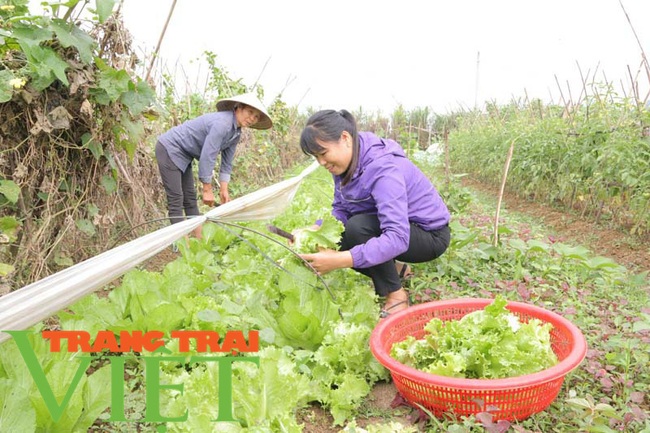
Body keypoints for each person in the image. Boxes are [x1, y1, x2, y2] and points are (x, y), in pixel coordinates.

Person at [297, 109, 450, 317]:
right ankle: (398, 270)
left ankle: (396, 296)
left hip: (428, 235)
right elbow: (341, 208)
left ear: (345, 138)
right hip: (400, 229)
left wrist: (341, 260)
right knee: (340, 237)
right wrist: (316, 230)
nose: (321, 162)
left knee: (357, 230)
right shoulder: (346, 163)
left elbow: (397, 237)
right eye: (316, 157)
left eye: (323, 153)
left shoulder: (383, 169)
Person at [155, 92, 272, 236]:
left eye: (256, 117)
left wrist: (224, 190)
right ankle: (183, 247)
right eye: (250, 112)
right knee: (176, 200)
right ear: (238, 108)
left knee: (190, 199)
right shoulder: (222, 124)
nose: (252, 118)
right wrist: (207, 190)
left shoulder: (236, 133)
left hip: (185, 154)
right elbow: (208, 155)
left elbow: (227, 162)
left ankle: (200, 243)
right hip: (170, 148)